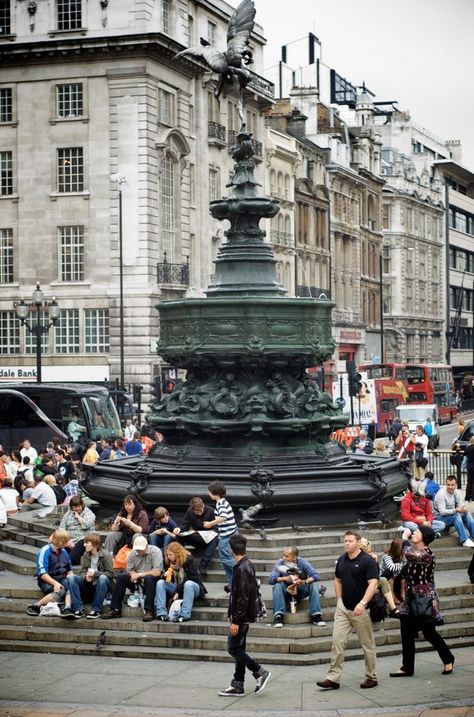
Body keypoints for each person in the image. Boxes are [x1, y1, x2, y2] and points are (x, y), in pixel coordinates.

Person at [317, 529, 379, 691]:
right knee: (337, 642)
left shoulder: (367, 561)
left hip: (361, 609)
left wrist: (363, 603)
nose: (346, 543)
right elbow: (337, 580)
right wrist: (339, 600)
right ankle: (333, 678)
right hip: (343, 608)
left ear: (358, 543)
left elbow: (373, 583)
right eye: (345, 541)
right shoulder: (341, 560)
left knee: (367, 644)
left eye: (350, 541)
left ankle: (371, 677)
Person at [389, 526, 454, 678]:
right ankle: (407, 667)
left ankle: (448, 658)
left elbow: (408, 553)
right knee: (406, 633)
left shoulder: (427, 555)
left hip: (425, 600)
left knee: (429, 633)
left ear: (424, 537)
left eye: (417, 532)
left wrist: (404, 538)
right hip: (409, 601)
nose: (413, 533)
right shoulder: (413, 555)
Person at [218, 533, 271, 697]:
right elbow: (238, 595)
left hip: (241, 617)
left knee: (233, 648)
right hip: (243, 616)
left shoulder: (242, 568)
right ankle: (238, 684)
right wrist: (231, 613)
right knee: (239, 648)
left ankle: (259, 672)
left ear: (231, 550)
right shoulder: (246, 564)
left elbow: (242, 597)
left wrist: (235, 620)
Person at [102, 534, 163, 622]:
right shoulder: (133, 553)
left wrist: (140, 574)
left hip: (151, 580)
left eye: (141, 550)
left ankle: (149, 610)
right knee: (121, 577)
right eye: (137, 549)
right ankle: (115, 609)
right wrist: (134, 575)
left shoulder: (155, 551)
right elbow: (130, 570)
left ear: (146, 546)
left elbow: (157, 572)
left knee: (149, 578)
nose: (139, 552)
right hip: (137, 579)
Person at [268, 545, 325, 628]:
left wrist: (304, 581)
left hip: (300, 590)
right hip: (286, 591)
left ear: (294, 558)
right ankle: (278, 616)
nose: (284, 558)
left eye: (287, 556)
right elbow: (271, 580)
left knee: (313, 585)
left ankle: (316, 616)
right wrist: (285, 578)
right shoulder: (280, 563)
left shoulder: (302, 562)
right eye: (283, 555)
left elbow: (316, 576)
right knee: (277, 586)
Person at [154, 541, 207, 622]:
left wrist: (177, 591)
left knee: (188, 584)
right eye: (167, 555)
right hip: (177, 587)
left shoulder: (188, 559)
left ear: (177, 553)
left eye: (170, 555)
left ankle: (185, 614)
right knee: (160, 583)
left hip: (193, 588)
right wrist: (165, 575)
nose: (168, 557)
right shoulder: (168, 562)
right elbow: (167, 580)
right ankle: (161, 613)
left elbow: (192, 578)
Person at [66, 533, 114, 619]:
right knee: (72, 577)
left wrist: (95, 574)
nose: (84, 545)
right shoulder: (86, 554)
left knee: (103, 578)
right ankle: (78, 609)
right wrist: (86, 577)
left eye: (86, 543)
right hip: (88, 585)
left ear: (94, 544)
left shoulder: (106, 555)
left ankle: (96, 610)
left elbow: (110, 574)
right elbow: (83, 571)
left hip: (101, 586)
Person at [26, 530, 74, 616]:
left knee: (72, 586)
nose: (68, 543)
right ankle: (35, 606)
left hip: (62, 578)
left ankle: (67, 608)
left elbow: (69, 569)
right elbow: (42, 574)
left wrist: (71, 576)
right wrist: (55, 583)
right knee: (61, 591)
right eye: (66, 541)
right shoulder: (45, 551)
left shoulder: (64, 552)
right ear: (60, 542)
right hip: (47, 581)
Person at [204, 480, 238, 589]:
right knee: (226, 559)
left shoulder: (221, 503)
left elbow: (223, 517)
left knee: (226, 558)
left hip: (227, 535)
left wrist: (210, 524)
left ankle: (244, 574)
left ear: (214, 492)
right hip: (229, 533)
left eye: (209, 492)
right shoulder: (222, 502)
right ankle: (233, 583)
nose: (208, 494)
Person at [175, 496, 219, 576]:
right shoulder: (189, 512)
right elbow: (185, 525)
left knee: (215, 538)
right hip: (195, 537)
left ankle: (203, 565)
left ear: (203, 505)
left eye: (200, 510)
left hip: (207, 540)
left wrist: (209, 526)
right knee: (179, 536)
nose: (199, 513)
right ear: (192, 510)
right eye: (197, 511)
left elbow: (216, 530)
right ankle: (182, 560)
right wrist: (179, 530)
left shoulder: (211, 511)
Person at [359, 538, 400, 616]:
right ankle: (393, 608)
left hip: (370, 581)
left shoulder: (370, 557)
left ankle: (393, 608)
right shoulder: (360, 559)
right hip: (361, 583)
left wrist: (375, 562)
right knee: (384, 579)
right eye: (369, 549)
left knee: (383, 580)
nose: (371, 551)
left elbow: (375, 575)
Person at [433, 474, 474, 547]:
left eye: (452, 485)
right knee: (456, 515)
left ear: (456, 485)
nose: (450, 487)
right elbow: (442, 512)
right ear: (446, 484)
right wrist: (455, 510)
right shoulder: (441, 494)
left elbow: (460, 506)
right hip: (438, 518)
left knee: (466, 514)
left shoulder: (457, 492)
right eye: (448, 485)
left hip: (451, 515)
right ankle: (464, 540)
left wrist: (463, 509)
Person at [59, 495, 96, 564]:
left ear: (82, 505)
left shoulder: (89, 514)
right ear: (71, 507)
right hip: (70, 540)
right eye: (75, 507)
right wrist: (66, 539)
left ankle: (68, 562)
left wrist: (78, 517)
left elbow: (86, 525)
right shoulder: (67, 514)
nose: (77, 508)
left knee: (81, 543)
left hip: (83, 539)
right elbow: (61, 528)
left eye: (79, 506)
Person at [464, 436, 474, 502]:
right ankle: (473, 497)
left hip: (469, 466)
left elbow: (465, 456)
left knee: (469, 482)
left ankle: (467, 497)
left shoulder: (467, 447)